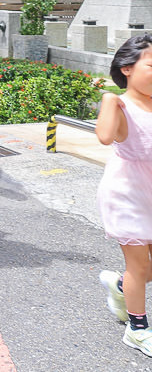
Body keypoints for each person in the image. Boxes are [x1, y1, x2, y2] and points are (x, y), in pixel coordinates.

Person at [95, 34, 152, 357]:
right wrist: (107, 100)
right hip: (126, 192)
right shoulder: (121, 105)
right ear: (128, 68)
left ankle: (120, 287)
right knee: (139, 264)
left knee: (142, 271)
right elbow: (104, 136)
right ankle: (137, 329)